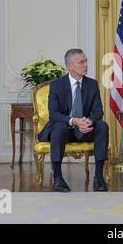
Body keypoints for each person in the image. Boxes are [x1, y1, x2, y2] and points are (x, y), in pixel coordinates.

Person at [38, 49, 109, 192]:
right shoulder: (57, 85)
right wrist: (73, 121)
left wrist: (89, 121)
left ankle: (99, 177)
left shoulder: (92, 84)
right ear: (70, 66)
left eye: (86, 61)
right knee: (59, 127)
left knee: (102, 126)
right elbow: (54, 114)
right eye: (81, 62)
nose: (86, 65)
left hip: (84, 129)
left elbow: (98, 111)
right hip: (65, 128)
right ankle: (58, 178)